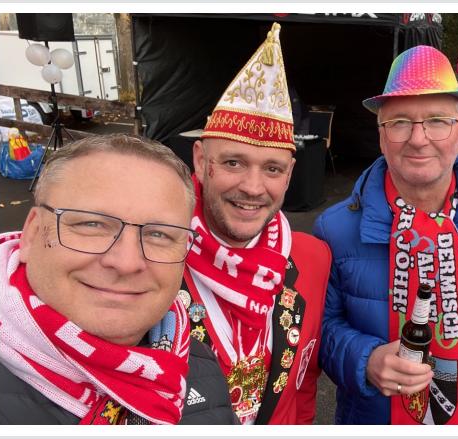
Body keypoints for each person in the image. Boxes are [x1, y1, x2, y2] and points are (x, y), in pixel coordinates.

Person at [313, 45, 458, 425]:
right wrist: (366, 360)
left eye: (437, 121)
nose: (418, 139)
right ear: (381, 137)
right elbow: (319, 330)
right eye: (399, 122)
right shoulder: (335, 230)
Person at [0, 134, 236, 425]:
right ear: (33, 233)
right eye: (92, 224)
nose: (126, 263)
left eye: (159, 234)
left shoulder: (196, 364)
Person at [183, 23, 331, 425]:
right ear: (201, 160)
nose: (252, 187)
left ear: (290, 173)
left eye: (272, 169)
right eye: (233, 162)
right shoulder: (151, 253)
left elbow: (304, 381)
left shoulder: (313, 258)